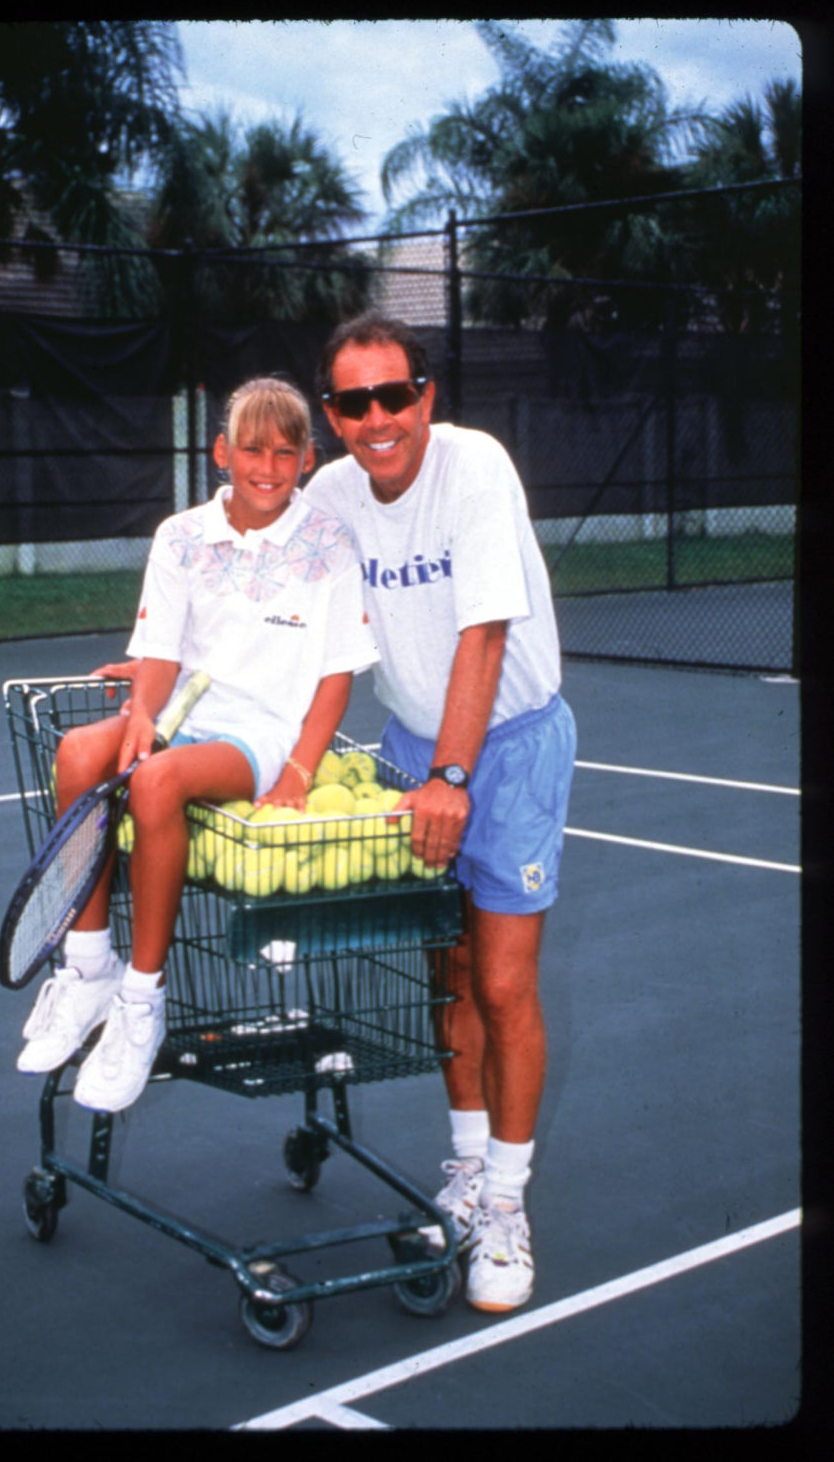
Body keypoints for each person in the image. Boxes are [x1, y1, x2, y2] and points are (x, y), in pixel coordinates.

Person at [301, 312, 577, 1316]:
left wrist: (452, 779)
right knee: (447, 971)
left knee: (503, 982)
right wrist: (160, 678)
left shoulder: (475, 469)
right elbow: (252, 571)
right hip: (416, 749)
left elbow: (486, 637)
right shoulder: (331, 493)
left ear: (427, 396)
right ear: (332, 415)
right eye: (350, 401)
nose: (376, 418)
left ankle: (506, 1205)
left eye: (392, 395)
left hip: (504, 747)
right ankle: (465, 1172)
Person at [16, 377, 378, 1114]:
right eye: (252, 449)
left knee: (155, 784)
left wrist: (301, 771)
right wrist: (143, 712)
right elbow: (158, 649)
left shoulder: (330, 545)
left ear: (307, 459)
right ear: (221, 452)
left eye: (285, 452)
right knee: (81, 754)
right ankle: (89, 970)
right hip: (189, 712)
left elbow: (336, 679)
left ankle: (142, 1001)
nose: (268, 467)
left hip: (264, 735)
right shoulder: (178, 537)